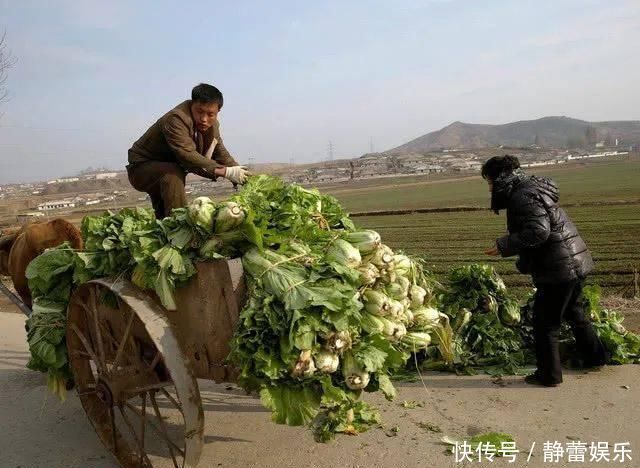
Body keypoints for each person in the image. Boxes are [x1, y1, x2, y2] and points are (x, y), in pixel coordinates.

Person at [482, 155, 608, 387]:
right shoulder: (533, 189)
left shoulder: (522, 197)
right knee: (576, 313)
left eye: (489, 181)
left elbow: (539, 232)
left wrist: (503, 245)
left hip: (557, 268)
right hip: (574, 260)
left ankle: (548, 375)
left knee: (545, 324)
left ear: (501, 178)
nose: (489, 187)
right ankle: (595, 357)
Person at [127, 83, 249, 219]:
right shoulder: (176, 119)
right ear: (192, 104)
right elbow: (186, 154)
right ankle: (180, 228)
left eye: (210, 114)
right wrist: (225, 172)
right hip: (141, 169)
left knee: (163, 218)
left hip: (166, 168)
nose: (204, 119)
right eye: (200, 112)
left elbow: (219, 150)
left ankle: (167, 232)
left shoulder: (212, 125)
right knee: (173, 174)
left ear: (218, 112)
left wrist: (239, 171)